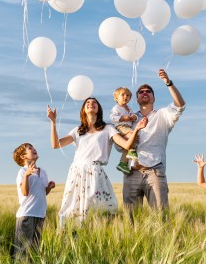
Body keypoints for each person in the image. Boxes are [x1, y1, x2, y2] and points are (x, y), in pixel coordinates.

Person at [48, 97, 140, 227]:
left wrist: (136, 130)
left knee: (100, 208)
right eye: (88, 103)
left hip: (96, 171)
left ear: (98, 109)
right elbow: (55, 144)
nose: (91, 104)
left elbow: (125, 145)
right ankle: (72, 236)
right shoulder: (77, 130)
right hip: (77, 172)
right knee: (73, 207)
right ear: (83, 110)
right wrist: (53, 122)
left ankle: (98, 236)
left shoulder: (108, 128)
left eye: (94, 103)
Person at [121, 69, 184, 212]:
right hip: (131, 171)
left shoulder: (163, 115)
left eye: (148, 91)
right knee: (130, 218)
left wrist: (168, 83)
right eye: (141, 92)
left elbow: (180, 105)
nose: (144, 92)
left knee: (160, 214)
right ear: (136, 99)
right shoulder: (128, 119)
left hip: (154, 170)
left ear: (154, 98)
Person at [13, 142, 55, 258]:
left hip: (40, 214)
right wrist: (26, 176)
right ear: (23, 156)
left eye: (34, 147)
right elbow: (25, 192)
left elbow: (43, 193)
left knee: (35, 249)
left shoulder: (43, 172)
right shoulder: (22, 172)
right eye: (30, 148)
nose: (34, 149)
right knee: (22, 250)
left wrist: (49, 188)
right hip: (27, 214)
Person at [110, 86, 139, 175]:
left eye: (128, 95)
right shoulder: (116, 108)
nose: (125, 97)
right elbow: (112, 117)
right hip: (121, 127)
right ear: (116, 98)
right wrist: (123, 118)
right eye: (122, 95)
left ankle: (123, 163)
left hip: (127, 127)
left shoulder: (129, 108)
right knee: (133, 136)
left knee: (130, 143)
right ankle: (132, 151)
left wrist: (135, 117)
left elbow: (134, 116)